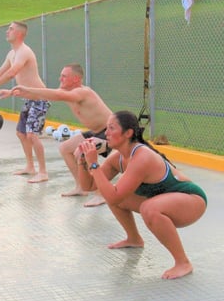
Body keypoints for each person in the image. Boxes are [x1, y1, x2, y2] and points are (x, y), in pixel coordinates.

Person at [78, 110, 207, 279]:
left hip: (192, 201)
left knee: (148, 208)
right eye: (106, 128)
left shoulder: (142, 157)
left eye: (111, 128)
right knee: (116, 193)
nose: (106, 133)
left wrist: (94, 164)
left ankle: (183, 263)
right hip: (165, 202)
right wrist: (82, 160)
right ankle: (134, 239)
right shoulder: (118, 158)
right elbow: (89, 185)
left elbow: (112, 196)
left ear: (128, 133)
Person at [0, 63, 111, 206]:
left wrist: (25, 88)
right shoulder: (67, 91)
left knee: (82, 152)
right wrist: (12, 92)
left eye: (64, 76)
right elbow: (41, 94)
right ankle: (82, 187)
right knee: (65, 148)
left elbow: (56, 95)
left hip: (110, 132)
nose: (60, 79)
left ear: (76, 79)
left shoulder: (81, 92)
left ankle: (100, 193)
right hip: (95, 132)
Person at [0, 21, 50, 183]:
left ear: (19, 34)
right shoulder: (11, 54)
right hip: (29, 98)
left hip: (40, 98)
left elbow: (12, 73)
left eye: (11, 29)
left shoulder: (24, 52)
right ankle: (30, 166)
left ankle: (43, 172)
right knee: (21, 133)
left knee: (32, 135)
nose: (7, 31)